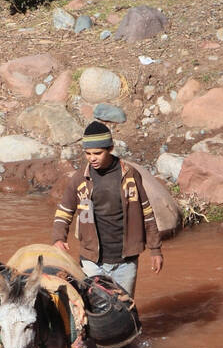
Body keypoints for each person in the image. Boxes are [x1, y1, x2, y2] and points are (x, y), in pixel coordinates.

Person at [51, 121, 164, 295]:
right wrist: (58, 238)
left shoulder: (130, 175)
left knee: (123, 310)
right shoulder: (80, 179)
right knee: (94, 309)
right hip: (91, 260)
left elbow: (146, 212)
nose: (92, 158)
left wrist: (155, 250)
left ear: (110, 148)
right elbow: (64, 211)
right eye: (87, 154)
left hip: (126, 260)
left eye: (97, 153)